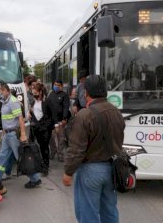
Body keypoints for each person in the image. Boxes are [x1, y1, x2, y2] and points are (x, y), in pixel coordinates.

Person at [63, 75, 125, 223]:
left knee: (88, 214)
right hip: (113, 169)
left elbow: (77, 149)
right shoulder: (116, 112)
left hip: (90, 171)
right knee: (109, 211)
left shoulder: (84, 115)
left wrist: (68, 171)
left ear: (86, 93)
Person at [0, 83, 41, 188]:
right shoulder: (4, 102)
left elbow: (20, 119)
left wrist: (23, 134)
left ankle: (35, 179)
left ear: (6, 91)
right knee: (2, 157)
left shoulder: (13, 101)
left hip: (13, 135)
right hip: (7, 134)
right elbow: (6, 119)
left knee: (21, 157)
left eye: (0, 91)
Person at [29, 83, 54, 175]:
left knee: (44, 148)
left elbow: (52, 115)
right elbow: (33, 114)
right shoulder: (33, 102)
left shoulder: (47, 101)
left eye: (35, 93)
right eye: (32, 93)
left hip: (45, 129)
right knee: (38, 147)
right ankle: (40, 165)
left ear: (40, 92)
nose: (34, 95)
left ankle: (45, 167)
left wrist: (50, 126)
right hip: (36, 128)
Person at [47, 79, 70, 162]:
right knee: (51, 138)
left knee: (60, 139)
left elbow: (66, 107)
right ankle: (53, 151)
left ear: (61, 86)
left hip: (60, 121)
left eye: (58, 85)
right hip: (51, 121)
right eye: (55, 84)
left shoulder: (64, 95)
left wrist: (64, 118)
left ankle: (60, 155)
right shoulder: (51, 94)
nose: (56, 86)